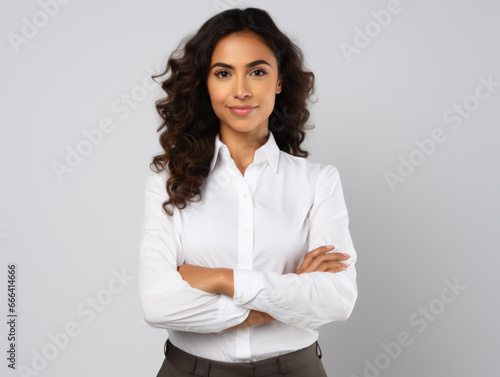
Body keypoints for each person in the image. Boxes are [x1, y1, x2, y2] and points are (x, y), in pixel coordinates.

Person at [138, 7, 358, 377]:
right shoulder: (167, 182)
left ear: (279, 81)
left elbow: (338, 300)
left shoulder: (318, 182)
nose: (241, 90)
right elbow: (158, 304)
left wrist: (224, 279)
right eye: (223, 73)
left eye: (257, 72)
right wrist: (287, 297)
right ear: (205, 84)